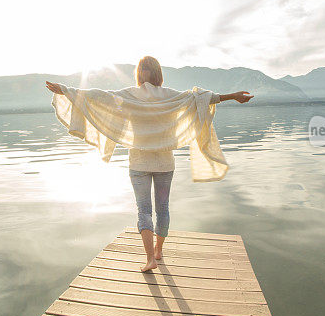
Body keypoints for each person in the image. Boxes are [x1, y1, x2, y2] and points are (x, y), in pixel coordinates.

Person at [45, 56, 253, 272]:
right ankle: (158, 250)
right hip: (165, 163)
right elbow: (203, 99)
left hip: (139, 164)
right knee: (162, 209)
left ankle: (149, 259)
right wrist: (234, 96)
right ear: (158, 73)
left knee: (143, 210)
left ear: (139, 73)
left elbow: (98, 97)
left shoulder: (129, 95)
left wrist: (66, 90)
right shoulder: (171, 96)